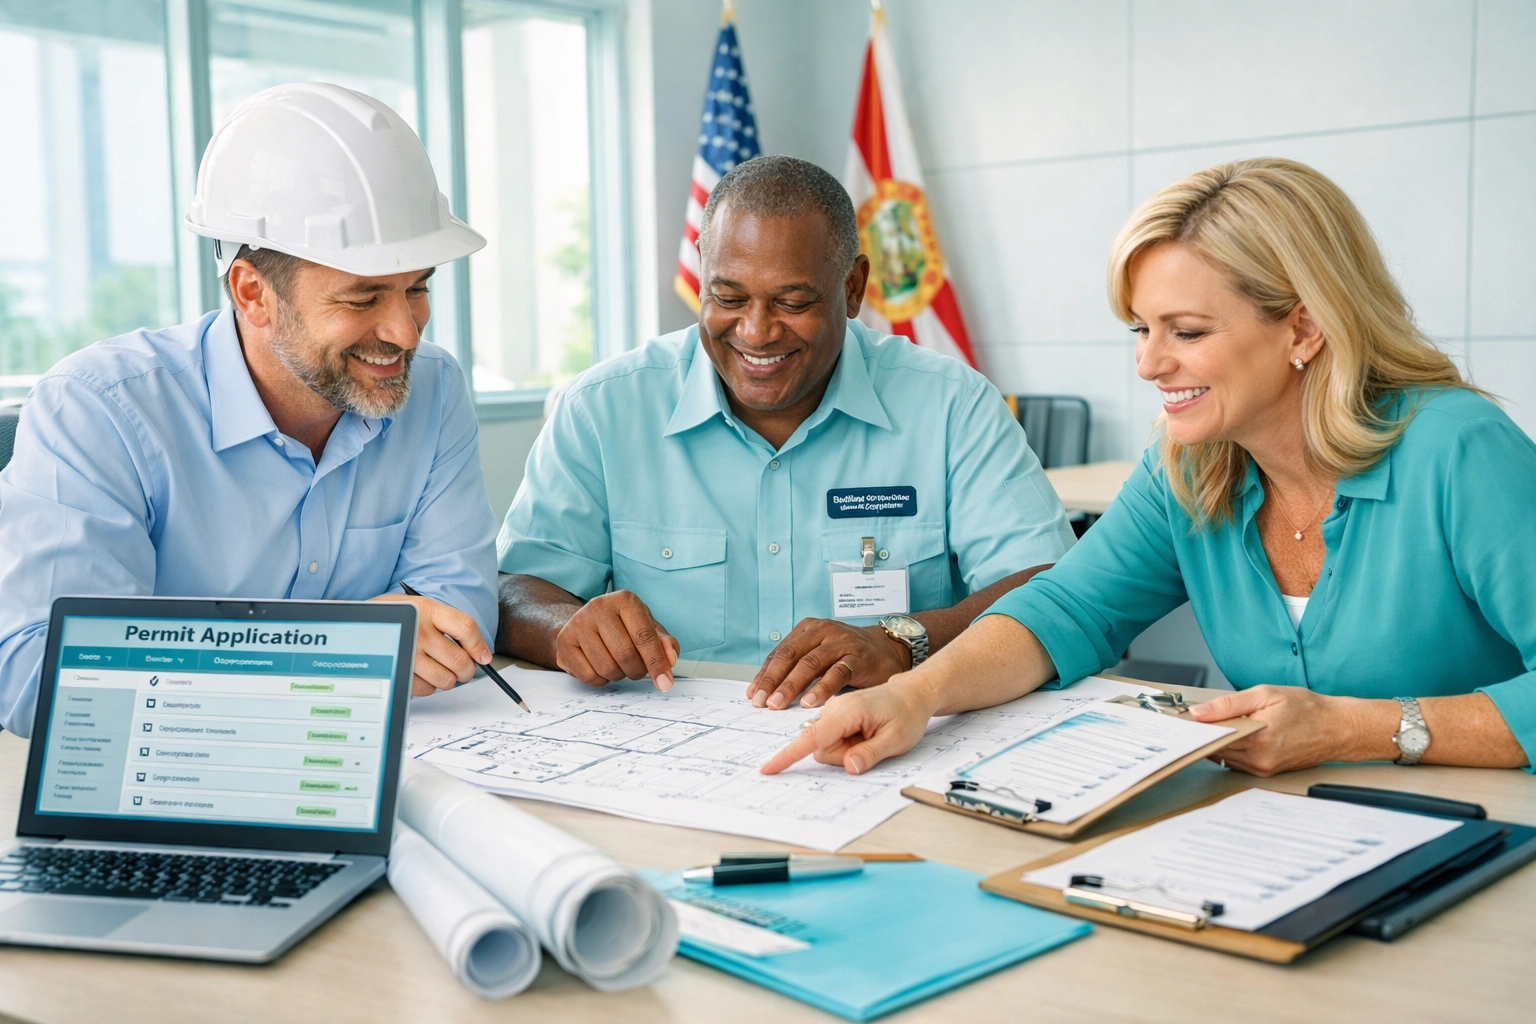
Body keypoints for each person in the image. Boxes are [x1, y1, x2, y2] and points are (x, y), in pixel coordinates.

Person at [764, 157, 1536, 779]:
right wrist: (914, 695)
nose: (1149, 364)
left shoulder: (1459, 450)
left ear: (1304, 328)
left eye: (1186, 332)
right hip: (1290, 839)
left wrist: (1357, 729)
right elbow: (1065, 609)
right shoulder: (1189, 464)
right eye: (1140, 329)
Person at [0, 83, 500, 736]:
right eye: (362, 299)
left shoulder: (434, 390)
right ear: (252, 293)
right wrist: (334, 650)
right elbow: (39, 672)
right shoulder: (96, 410)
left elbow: (459, 612)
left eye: (418, 289)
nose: (405, 333)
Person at [496, 155, 1074, 709]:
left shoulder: (952, 405)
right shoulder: (602, 409)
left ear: (853, 288)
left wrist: (901, 641)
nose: (756, 332)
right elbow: (513, 590)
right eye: (728, 297)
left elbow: (1053, 587)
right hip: (665, 741)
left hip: (885, 737)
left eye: (793, 302)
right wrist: (564, 628)